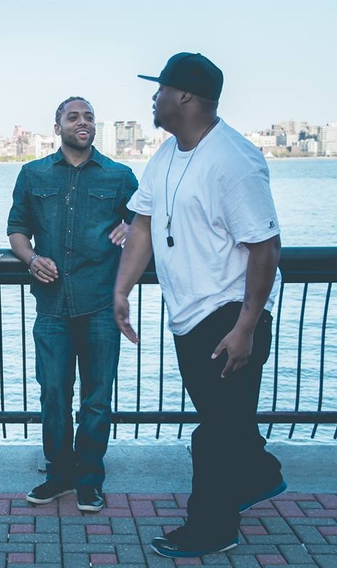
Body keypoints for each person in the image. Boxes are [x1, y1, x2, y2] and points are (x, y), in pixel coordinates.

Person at [114, 53, 286, 557]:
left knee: (214, 434)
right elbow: (142, 226)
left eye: (161, 88)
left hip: (229, 313)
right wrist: (121, 291)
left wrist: (246, 327)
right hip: (188, 315)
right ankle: (259, 474)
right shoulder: (166, 155)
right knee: (227, 422)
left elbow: (265, 248)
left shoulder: (234, 160)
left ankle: (213, 528)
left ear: (184, 96)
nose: (154, 97)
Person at [7, 97, 137, 512]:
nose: (83, 122)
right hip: (51, 306)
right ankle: (59, 475)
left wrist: (132, 226)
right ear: (58, 125)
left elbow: (147, 219)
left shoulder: (120, 176)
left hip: (100, 303)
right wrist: (31, 259)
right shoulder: (33, 174)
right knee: (53, 395)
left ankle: (89, 479)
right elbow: (17, 229)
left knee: (97, 398)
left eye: (89, 117)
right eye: (74, 117)